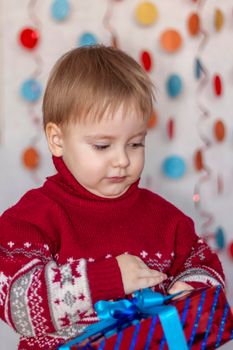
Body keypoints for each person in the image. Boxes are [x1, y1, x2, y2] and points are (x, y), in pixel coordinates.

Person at [0, 45, 224, 350]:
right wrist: (103, 279)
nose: (122, 160)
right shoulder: (32, 219)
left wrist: (192, 291)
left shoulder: (165, 218)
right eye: (103, 146)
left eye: (135, 144)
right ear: (57, 139)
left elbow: (205, 269)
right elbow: (16, 305)